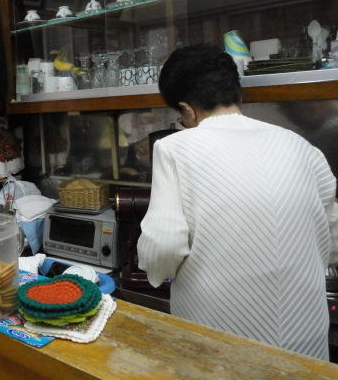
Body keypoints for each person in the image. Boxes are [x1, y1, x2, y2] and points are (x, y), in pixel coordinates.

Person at [137, 44, 338, 360]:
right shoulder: (302, 147)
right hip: (306, 342)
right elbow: (333, 240)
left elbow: (163, 248)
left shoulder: (175, 149)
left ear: (188, 110)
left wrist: (156, 270)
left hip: (222, 343)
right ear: (236, 92)